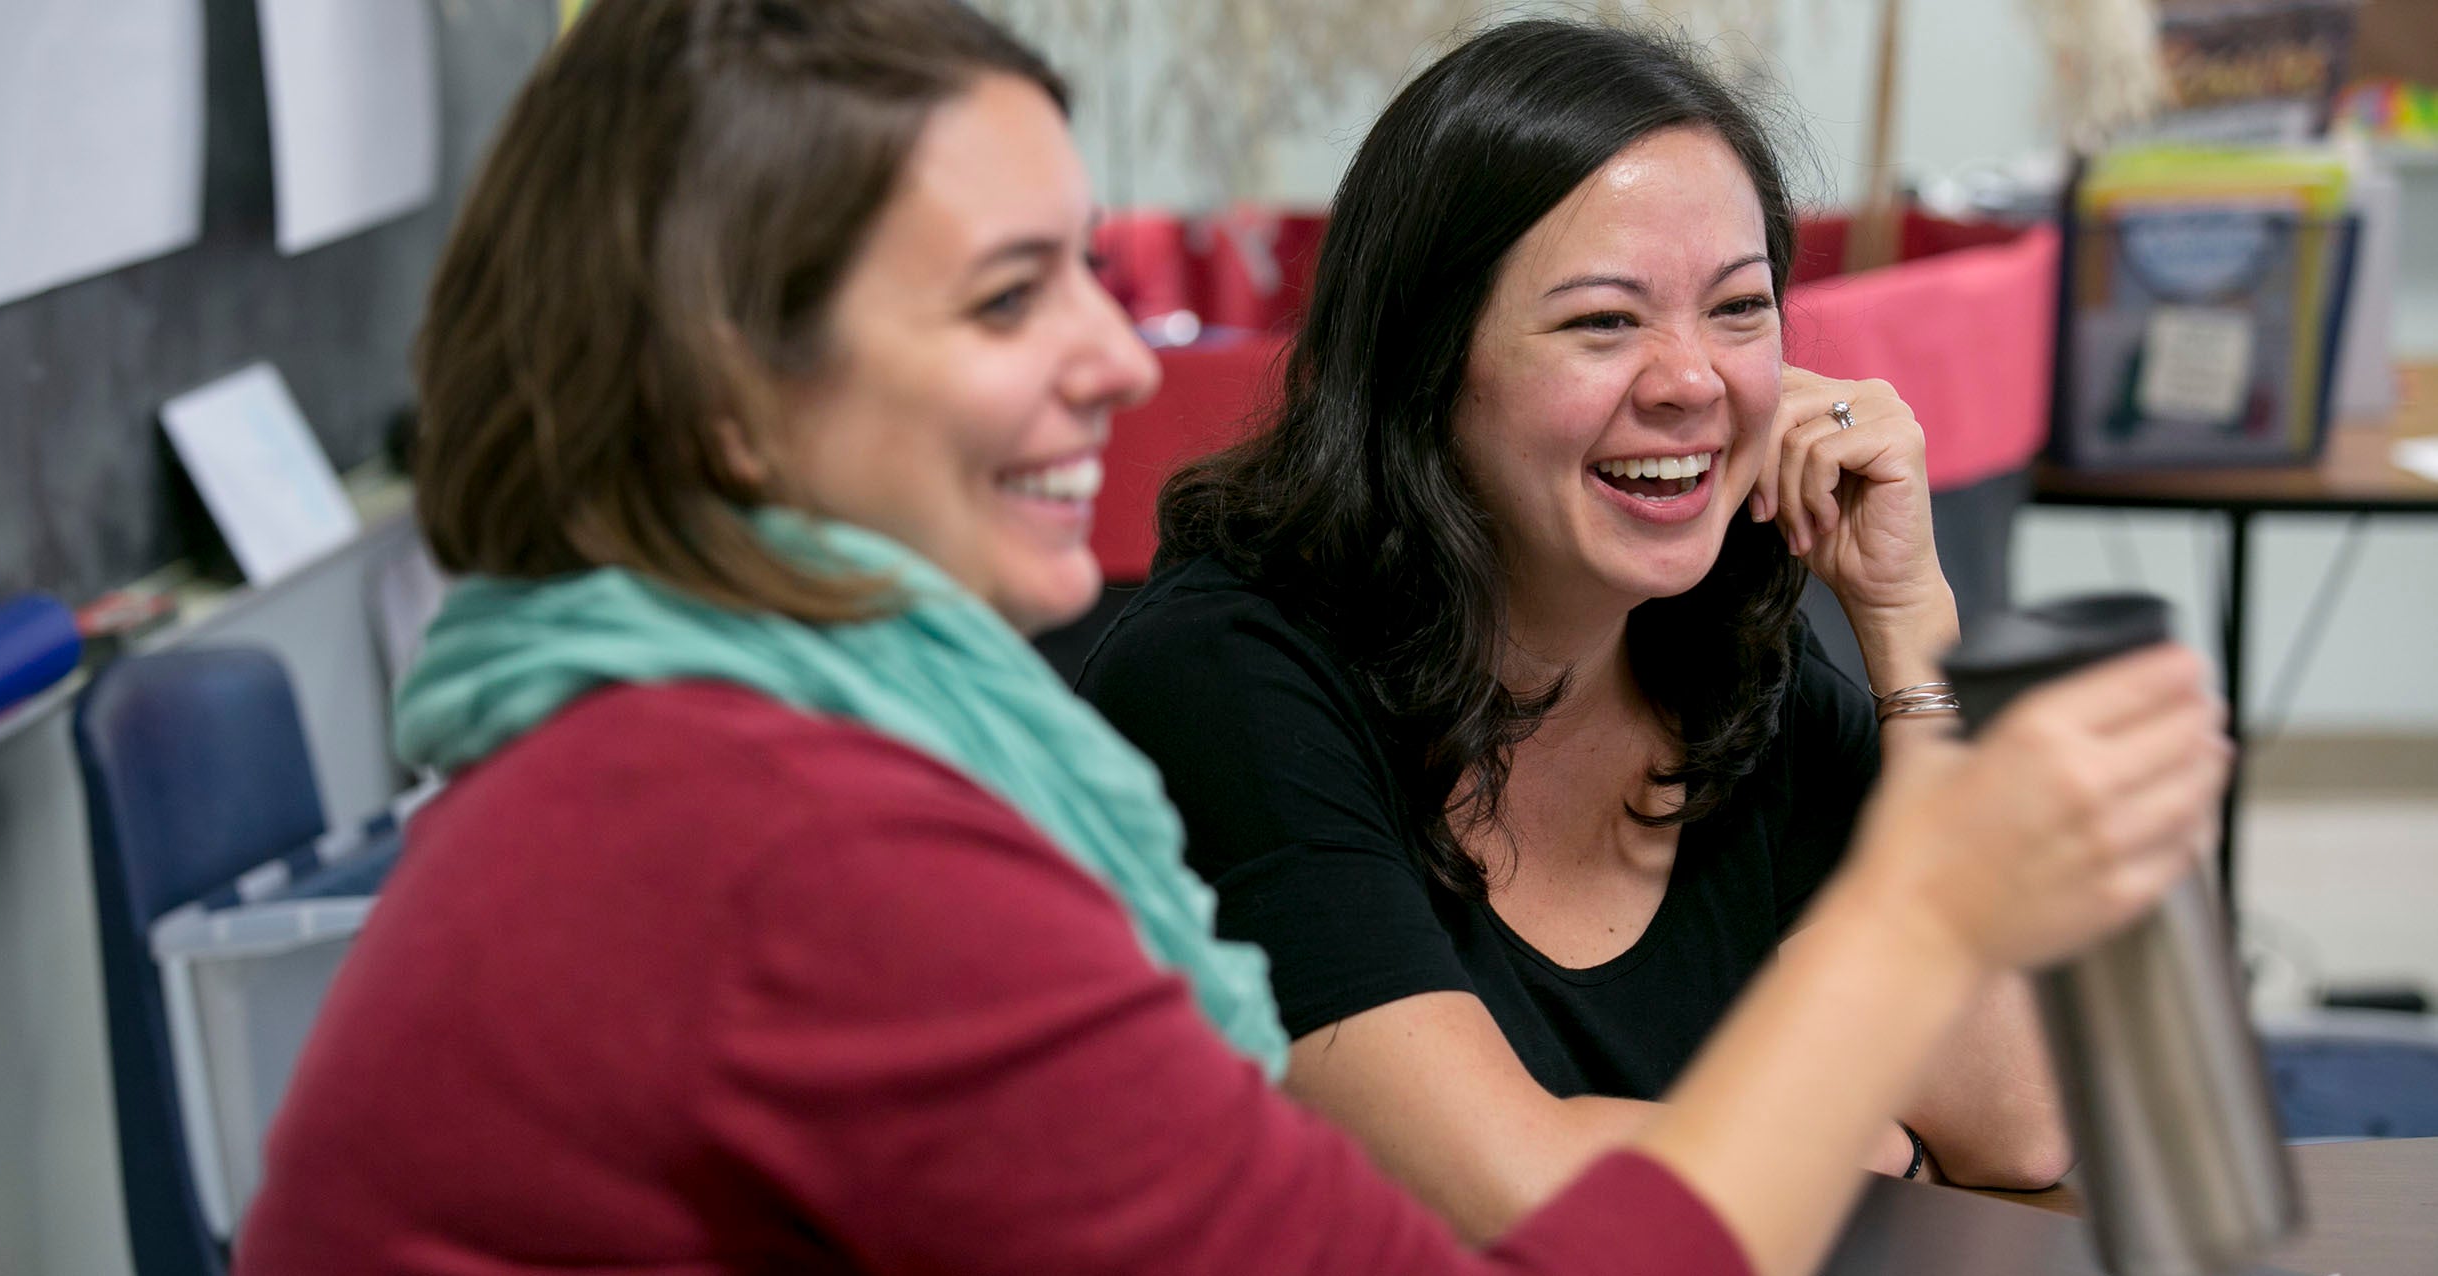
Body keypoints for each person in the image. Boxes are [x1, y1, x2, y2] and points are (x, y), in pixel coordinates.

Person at [236, 3, 2228, 1274]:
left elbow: (2001, 1128)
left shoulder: (741, 743)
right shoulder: (786, 832)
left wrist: (1904, 649)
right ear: (730, 388)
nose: (1115, 359)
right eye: (1011, 298)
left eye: (1087, 276)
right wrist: (1897, 949)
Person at [1078, 18, 2079, 1241]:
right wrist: (1852, 1152)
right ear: (1426, 365)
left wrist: (1907, 620)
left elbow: (2014, 1113)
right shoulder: (1228, 678)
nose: (1690, 381)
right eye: (1603, 322)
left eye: (1737, 309)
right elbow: (1507, 1186)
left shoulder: (1726, 664)